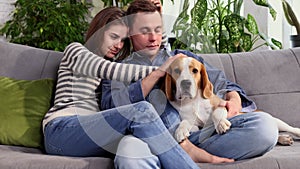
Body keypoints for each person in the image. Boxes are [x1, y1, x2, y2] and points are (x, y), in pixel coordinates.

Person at [101, 0, 278, 167]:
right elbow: (111, 107)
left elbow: (224, 84)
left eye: (157, 29)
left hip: (198, 136)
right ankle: (180, 152)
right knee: (129, 154)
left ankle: (177, 154)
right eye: (144, 31)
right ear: (130, 32)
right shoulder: (117, 69)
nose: (153, 37)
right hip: (147, 139)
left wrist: (234, 100)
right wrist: (158, 74)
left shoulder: (183, 57)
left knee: (264, 127)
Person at [42, 6, 202, 169]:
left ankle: (181, 149)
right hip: (61, 131)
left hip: (93, 136)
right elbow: (111, 70)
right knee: (141, 110)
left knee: (133, 142)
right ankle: (185, 151)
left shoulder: (111, 67)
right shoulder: (76, 51)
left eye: (123, 40)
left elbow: (158, 49)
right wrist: (163, 69)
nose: (118, 45)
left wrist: (158, 20)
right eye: (113, 37)